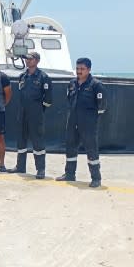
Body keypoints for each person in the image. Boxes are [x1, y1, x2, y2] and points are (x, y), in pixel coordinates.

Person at [56, 57, 106, 188]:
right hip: (73, 121)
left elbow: (102, 106)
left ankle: (96, 178)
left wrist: (92, 120)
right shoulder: (72, 83)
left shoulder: (96, 85)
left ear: (89, 70)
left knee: (91, 151)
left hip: (88, 123)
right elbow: (69, 100)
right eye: (77, 68)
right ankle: (70, 174)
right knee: (70, 148)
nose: (79, 71)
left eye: (82, 69)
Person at [5, 51, 52, 178]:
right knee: (21, 139)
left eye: (30, 59)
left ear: (37, 61)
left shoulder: (43, 77)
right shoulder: (22, 76)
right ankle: (20, 166)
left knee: (38, 141)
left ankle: (40, 169)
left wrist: (38, 110)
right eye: (27, 59)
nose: (28, 61)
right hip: (22, 112)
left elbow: (48, 99)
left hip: (35, 113)